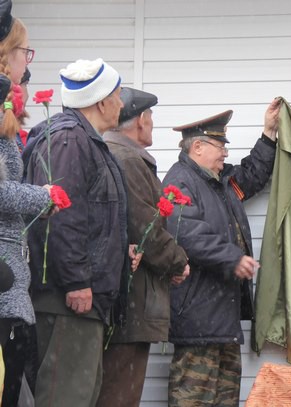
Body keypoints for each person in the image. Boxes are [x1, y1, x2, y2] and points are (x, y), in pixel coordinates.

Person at [24, 58, 129, 407]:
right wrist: (75, 280)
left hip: (81, 300)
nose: (122, 104)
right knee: (64, 397)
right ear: (100, 101)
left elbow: (91, 217)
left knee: (79, 395)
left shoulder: (82, 139)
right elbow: (59, 215)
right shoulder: (70, 140)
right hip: (68, 300)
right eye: (117, 95)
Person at [163, 98, 281, 407]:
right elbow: (186, 232)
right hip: (197, 319)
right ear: (198, 148)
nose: (226, 152)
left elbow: (253, 175)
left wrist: (269, 133)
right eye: (220, 145)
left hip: (221, 320)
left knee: (225, 401)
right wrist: (233, 257)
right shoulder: (180, 181)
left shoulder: (221, 181)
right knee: (193, 400)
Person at [95, 87, 190, 407]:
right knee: (119, 394)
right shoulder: (127, 160)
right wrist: (178, 262)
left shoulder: (120, 155)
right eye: (150, 117)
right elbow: (144, 225)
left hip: (128, 298)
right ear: (139, 121)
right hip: (131, 300)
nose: (152, 124)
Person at [0, 2, 59, 405]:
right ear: (7, 55)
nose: (28, 60)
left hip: (10, 278)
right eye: (25, 51)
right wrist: (44, 195)